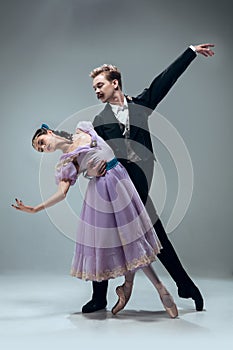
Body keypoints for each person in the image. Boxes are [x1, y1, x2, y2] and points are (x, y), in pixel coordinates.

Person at [82, 43, 215, 314]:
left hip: (140, 177)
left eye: (100, 85)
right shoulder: (98, 121)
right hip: (115, 184)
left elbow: (164, 80)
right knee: (109, 234)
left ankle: (183, 284)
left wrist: (189, 52)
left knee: (149, 228)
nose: (96, 91)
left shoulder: (141, 105)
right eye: (94, 88)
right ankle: (102, 297)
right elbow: (90, 152)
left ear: (115, 83)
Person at [12, 121, 179, 318]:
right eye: (40, 149)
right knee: (126, 241)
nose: (42, 147)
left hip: (121, 181)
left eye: (41, 141)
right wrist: (36, 208)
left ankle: (128, 286)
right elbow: (62, 193)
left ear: (48, 132)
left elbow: (110, 147)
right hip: (102, 194)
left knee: (133, 238)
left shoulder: (83, 128)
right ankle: (160, 289)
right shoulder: (67, 163)